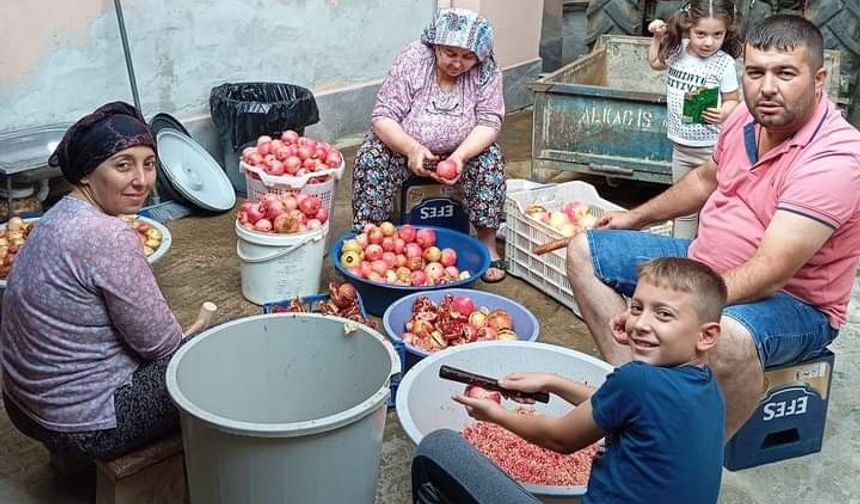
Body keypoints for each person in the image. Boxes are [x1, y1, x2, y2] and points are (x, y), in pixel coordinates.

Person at [566, 15, 860, 439]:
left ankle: (696, 457)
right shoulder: (746, 117)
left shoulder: (833, 161)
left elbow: (772, 271)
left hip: (795, 304)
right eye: (756, 73)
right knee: (585, 249)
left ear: (819, 79)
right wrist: (633, 217)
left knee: (725, 337)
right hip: (706, 263)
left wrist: (675, 306)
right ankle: (635, 392)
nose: (768, 88)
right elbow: (706, 179)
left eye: (786, 73)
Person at [412, 258, 727, 504]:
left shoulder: (637, 380)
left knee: (438, 447)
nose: (641, 324)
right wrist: (552, 382)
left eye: (664, 315)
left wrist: (494, 415)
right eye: (636, 308)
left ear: (707, 335)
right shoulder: (708, 388)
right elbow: (618, 404)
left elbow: (559, 439)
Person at [1, 102, 188, 461]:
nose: (142, 180)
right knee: (214, 354)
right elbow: (161, 346)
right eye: (123, 165)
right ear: (87, 173)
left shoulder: (57, 215)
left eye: (148, 165)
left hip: (24, 407)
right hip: (85, 426)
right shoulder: (107, 236)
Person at [351, 7, 508, 282]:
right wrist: (411, 149)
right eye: (450, 53)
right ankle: (370, 239)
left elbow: (489, 121)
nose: (457, 63)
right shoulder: (414, 58)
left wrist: (459, 156)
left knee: (491, 161)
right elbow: (383, 115)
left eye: (467, 57)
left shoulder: (487, 68)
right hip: (406, 148)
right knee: (371, 157)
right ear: (435, 45)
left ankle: (487, 243)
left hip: (460, 152)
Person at [648, 0, 741, 238]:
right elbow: (655, 62)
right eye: (701, 34)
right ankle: (682, 258)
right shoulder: (678, 50)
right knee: (683, 209)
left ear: (726, 33)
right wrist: (658, 38)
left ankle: (708, 254)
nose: (708, 42)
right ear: (688, 28)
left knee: (712, 208)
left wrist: (724, 113)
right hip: (680, 149)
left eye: (717, 34)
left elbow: (733, 100)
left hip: (712, 152)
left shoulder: (724, 64)